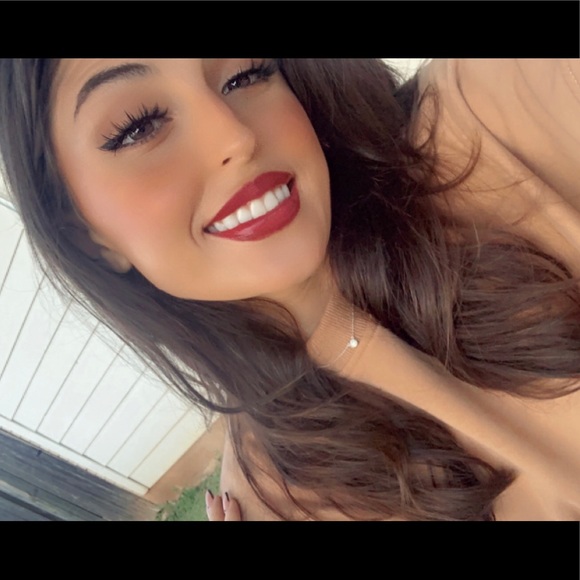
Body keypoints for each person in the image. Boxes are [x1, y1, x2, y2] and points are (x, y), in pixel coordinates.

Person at [1, 59, 580, 521]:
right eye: (140, 125)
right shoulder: (273, 501)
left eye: (245, 74)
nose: (235, 135)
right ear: (83, 233)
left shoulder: (490, 114)